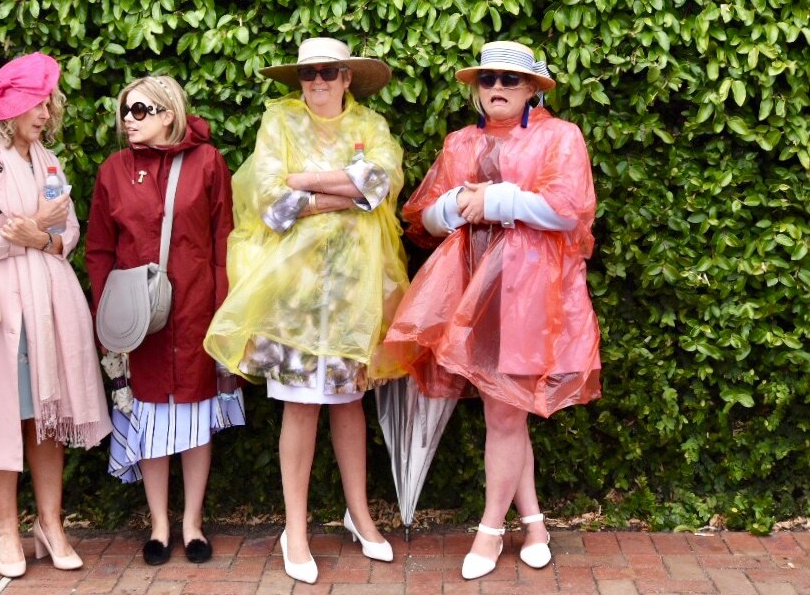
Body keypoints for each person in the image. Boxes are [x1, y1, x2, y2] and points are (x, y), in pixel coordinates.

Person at [384, 41, 602, 579]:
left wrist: (497, 200)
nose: (497, 89)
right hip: (469, 296)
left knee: (504, 414)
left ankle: (489, 531)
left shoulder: (559, 136)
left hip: (530, 294)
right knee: (505, 412)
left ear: (533, 88)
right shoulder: (459, 142)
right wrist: (456, 204)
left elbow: (568, 209)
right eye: (487, 80)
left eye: (509, 80)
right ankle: (534, 524)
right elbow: (423, 221)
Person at [204, 37, 409, 584]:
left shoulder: (374, 126)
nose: (316, 82)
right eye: (308, 73)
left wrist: (306, 183)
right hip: (292, 297)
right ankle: (294, 527)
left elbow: (381, 184)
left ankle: (358, 514)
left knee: (348, 405)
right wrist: (345, 186)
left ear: (347, 78)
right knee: (300, 406)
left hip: (353, 295)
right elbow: (269, 201)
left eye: (327, 72)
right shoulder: (279, 124)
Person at [0, 52, 112, 578]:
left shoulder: (48, 161)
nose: (45, 111)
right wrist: (21, 232)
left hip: (51, 306)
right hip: (3, 312)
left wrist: (42, 235)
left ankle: (50, 524)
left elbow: (67, 234)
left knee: (48, 418)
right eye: (35, 102)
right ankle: (7, 527)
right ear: (8, 108)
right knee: (6, 415)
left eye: (47, 101)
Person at [85, 76, 244, 566]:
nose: (128, 120)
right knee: (149, 421)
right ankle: (158, 524)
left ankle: (192, 523)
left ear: (168, 113)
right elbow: (99, 249)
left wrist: (225, 311)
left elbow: (224, 240)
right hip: (140, 323)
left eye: (138, 110)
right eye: (124, 112)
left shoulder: (208, 163)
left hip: (198, 310)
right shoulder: (114, 170)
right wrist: (109, 316)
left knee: (196, 420)